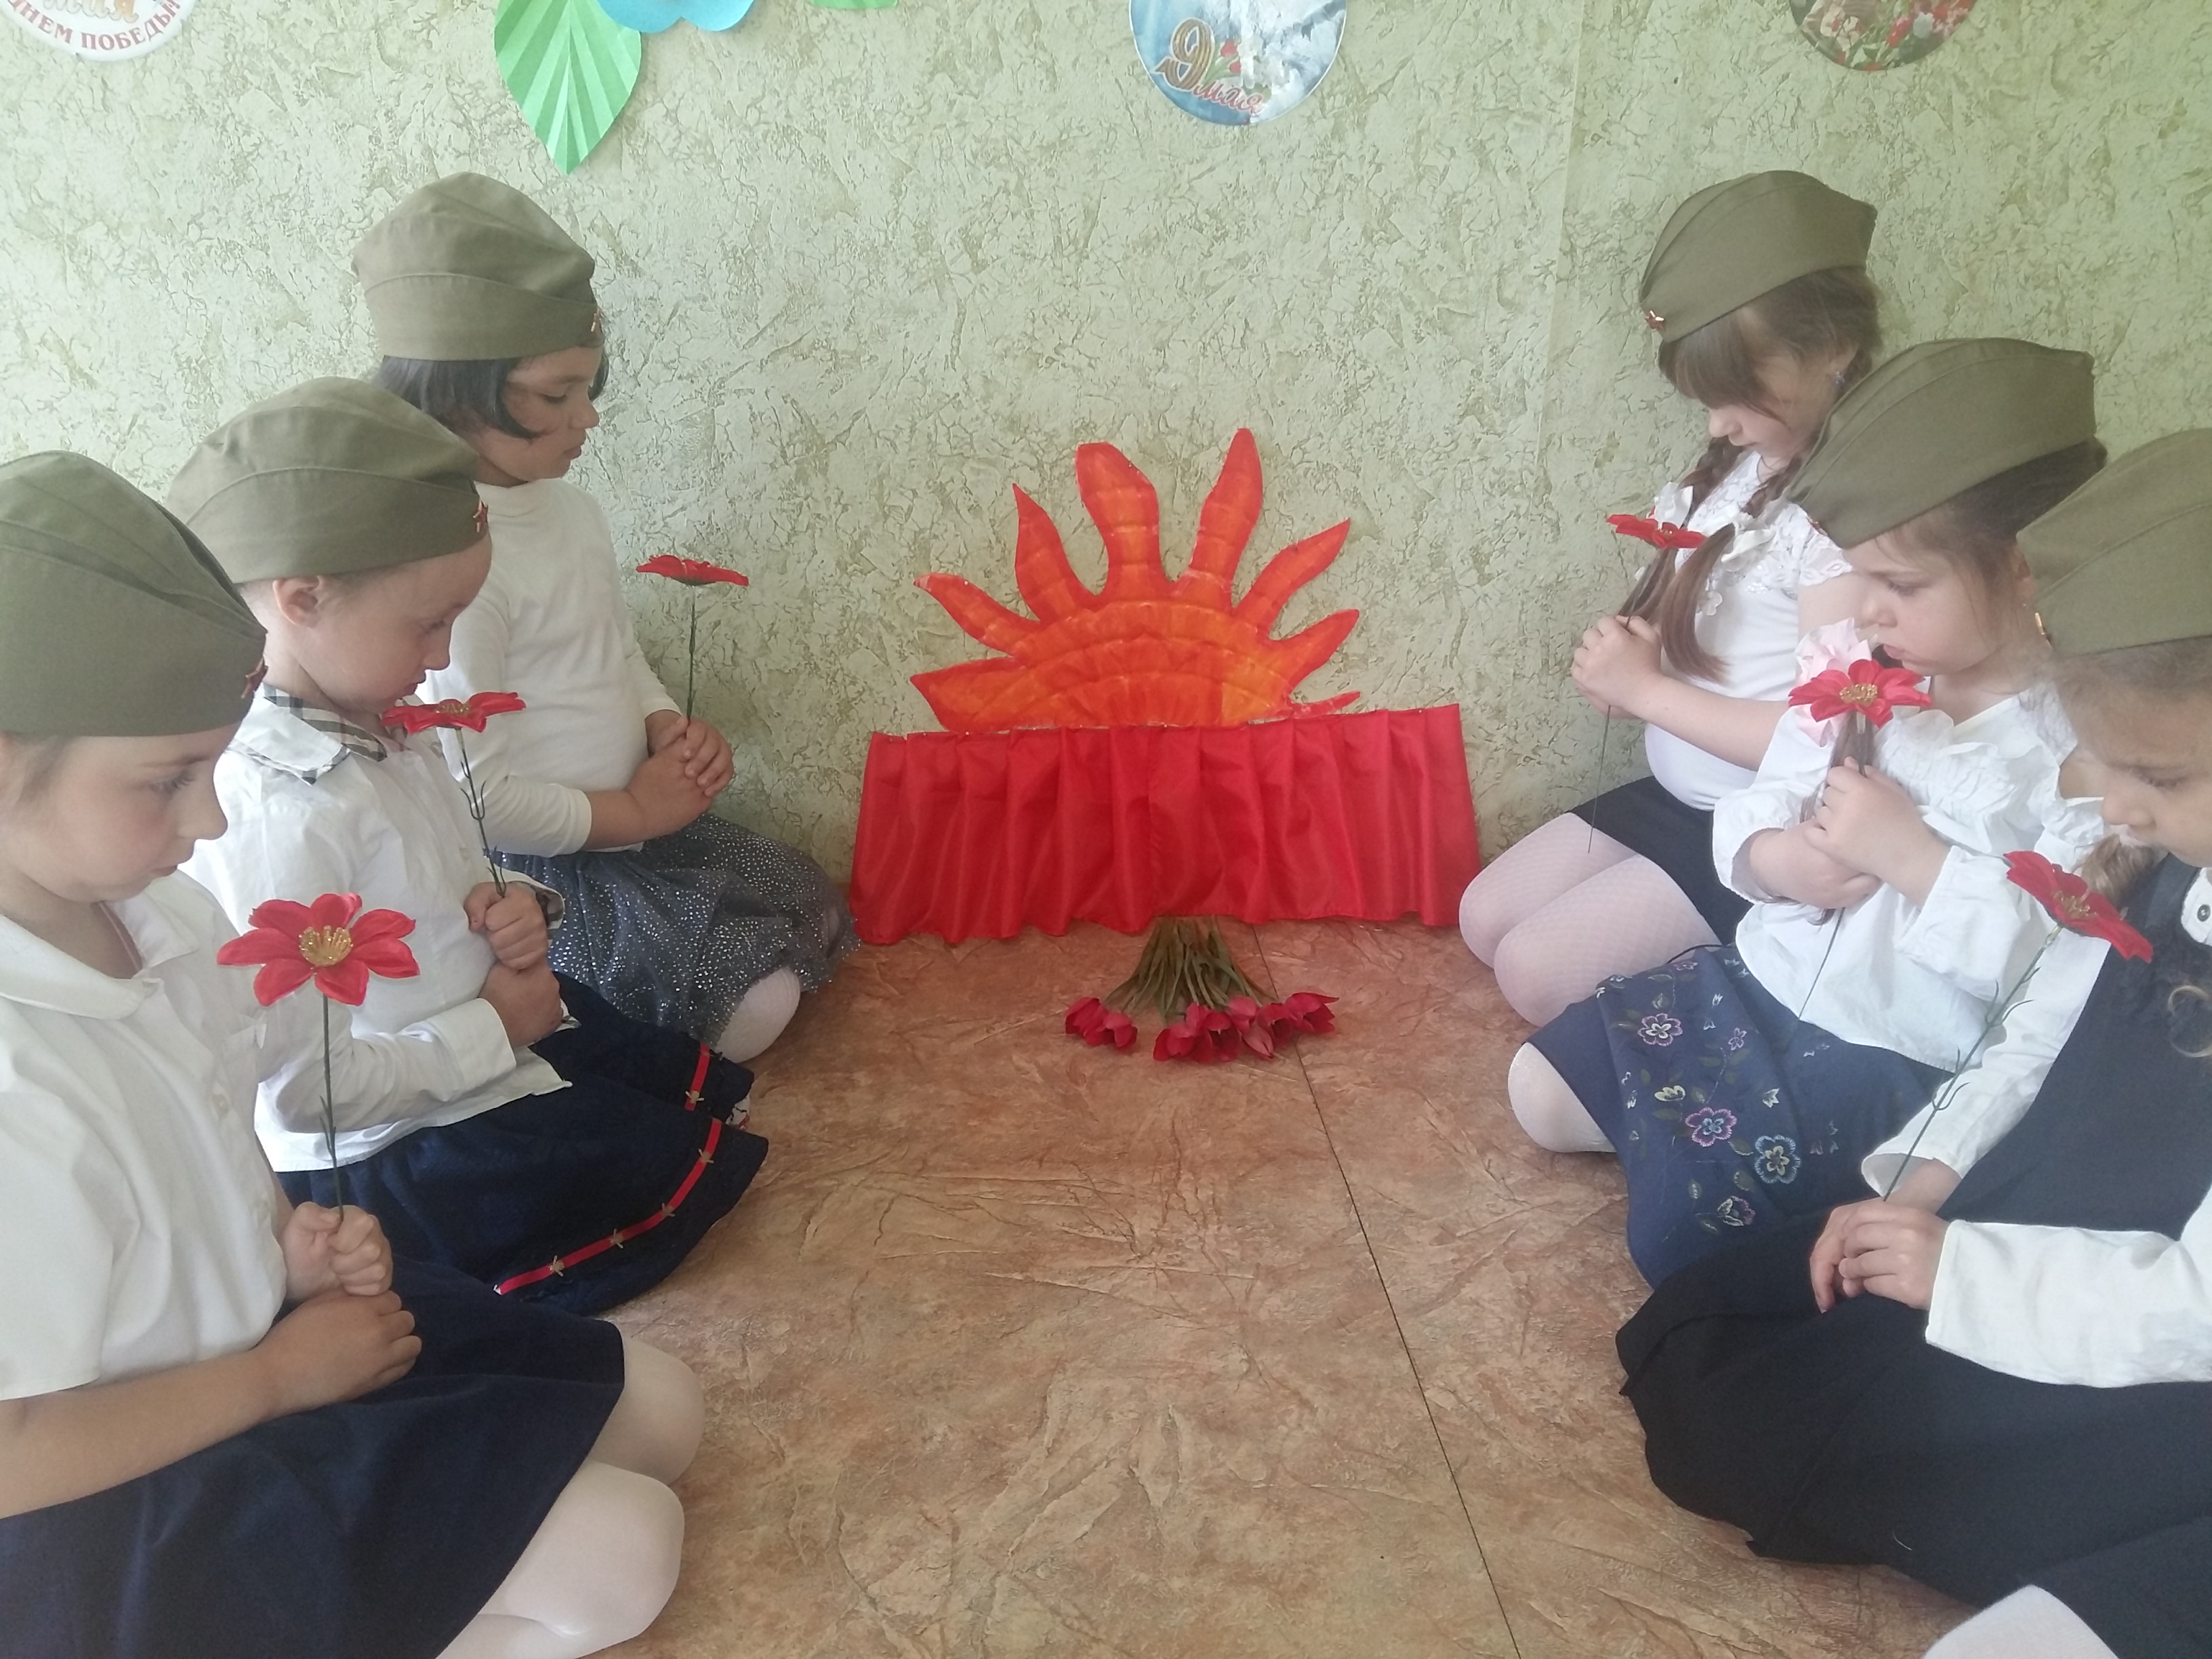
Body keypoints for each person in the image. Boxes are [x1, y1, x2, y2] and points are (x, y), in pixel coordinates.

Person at [0, 451, 701, 1658]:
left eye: (212, 766)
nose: (212, 818)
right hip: (127, 1476)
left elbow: (212, 1129)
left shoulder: (160, 913)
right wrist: (274, 1380)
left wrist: (284, 1241)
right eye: (168, 781)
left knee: (663, 1415)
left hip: (262, 1340)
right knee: (626, 1559)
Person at [1618, 430, 2212, 1659]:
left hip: (2141, 1324)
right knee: (1703, 1323)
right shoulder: (2162, 859)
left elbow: (2190, 1307)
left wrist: (1962, 1275)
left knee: (1762, 1432)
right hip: (2042, 1212)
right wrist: (1922, 1182)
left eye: (2155, 775)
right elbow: (2033, 1030)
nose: (2118, 807)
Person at [1509, 340, 2106, 1283]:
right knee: (1536, 1088)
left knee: (1679, 1245)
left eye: (1901, 587)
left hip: (1887, 1048)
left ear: (2021, 565)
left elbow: (2047, 980)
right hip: (1765, 981)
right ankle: (1685, 1150)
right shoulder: (1868, 672)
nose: (1867, 613)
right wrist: (1775, 859)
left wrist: (1916, 862)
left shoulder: (2079, 750)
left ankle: (1698, 1166)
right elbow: (1760, 798)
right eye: (1861, 578)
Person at [173, 378, 767, 1313]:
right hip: (394, 1131)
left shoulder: (374, 715)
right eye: (428, 625)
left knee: (644, 1075)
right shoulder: (281, 818)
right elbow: (305, 1092)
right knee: (618, 1161)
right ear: (303, 599)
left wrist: (516, 903)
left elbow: (442, 854)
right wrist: (492, 1028)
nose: (445, 655)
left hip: (472, 1025)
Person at [356, 172, 856, 1063]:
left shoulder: (573, 512)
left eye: (590, 388)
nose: (587, 417)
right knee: (752, 1004)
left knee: (807, 898)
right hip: (548, 868)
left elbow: (615, 649)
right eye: (558, 396)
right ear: (452, 395)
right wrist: (629, 811)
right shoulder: (452, 568)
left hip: (639, 828)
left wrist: (665, 725)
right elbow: (479, 799)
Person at [1462, 171, 1879, 1024]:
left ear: (1833, 347)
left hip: (1761, 829)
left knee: (1534, 975)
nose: (1717, 424)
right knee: (1484, 918)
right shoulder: (1739, 473)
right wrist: (1630, 662)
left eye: (1737, 395)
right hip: (1679, 798)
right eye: (1708, 399)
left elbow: (1824, 739)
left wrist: (1648, 691)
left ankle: (1769, 964)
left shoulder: (1845, 521)